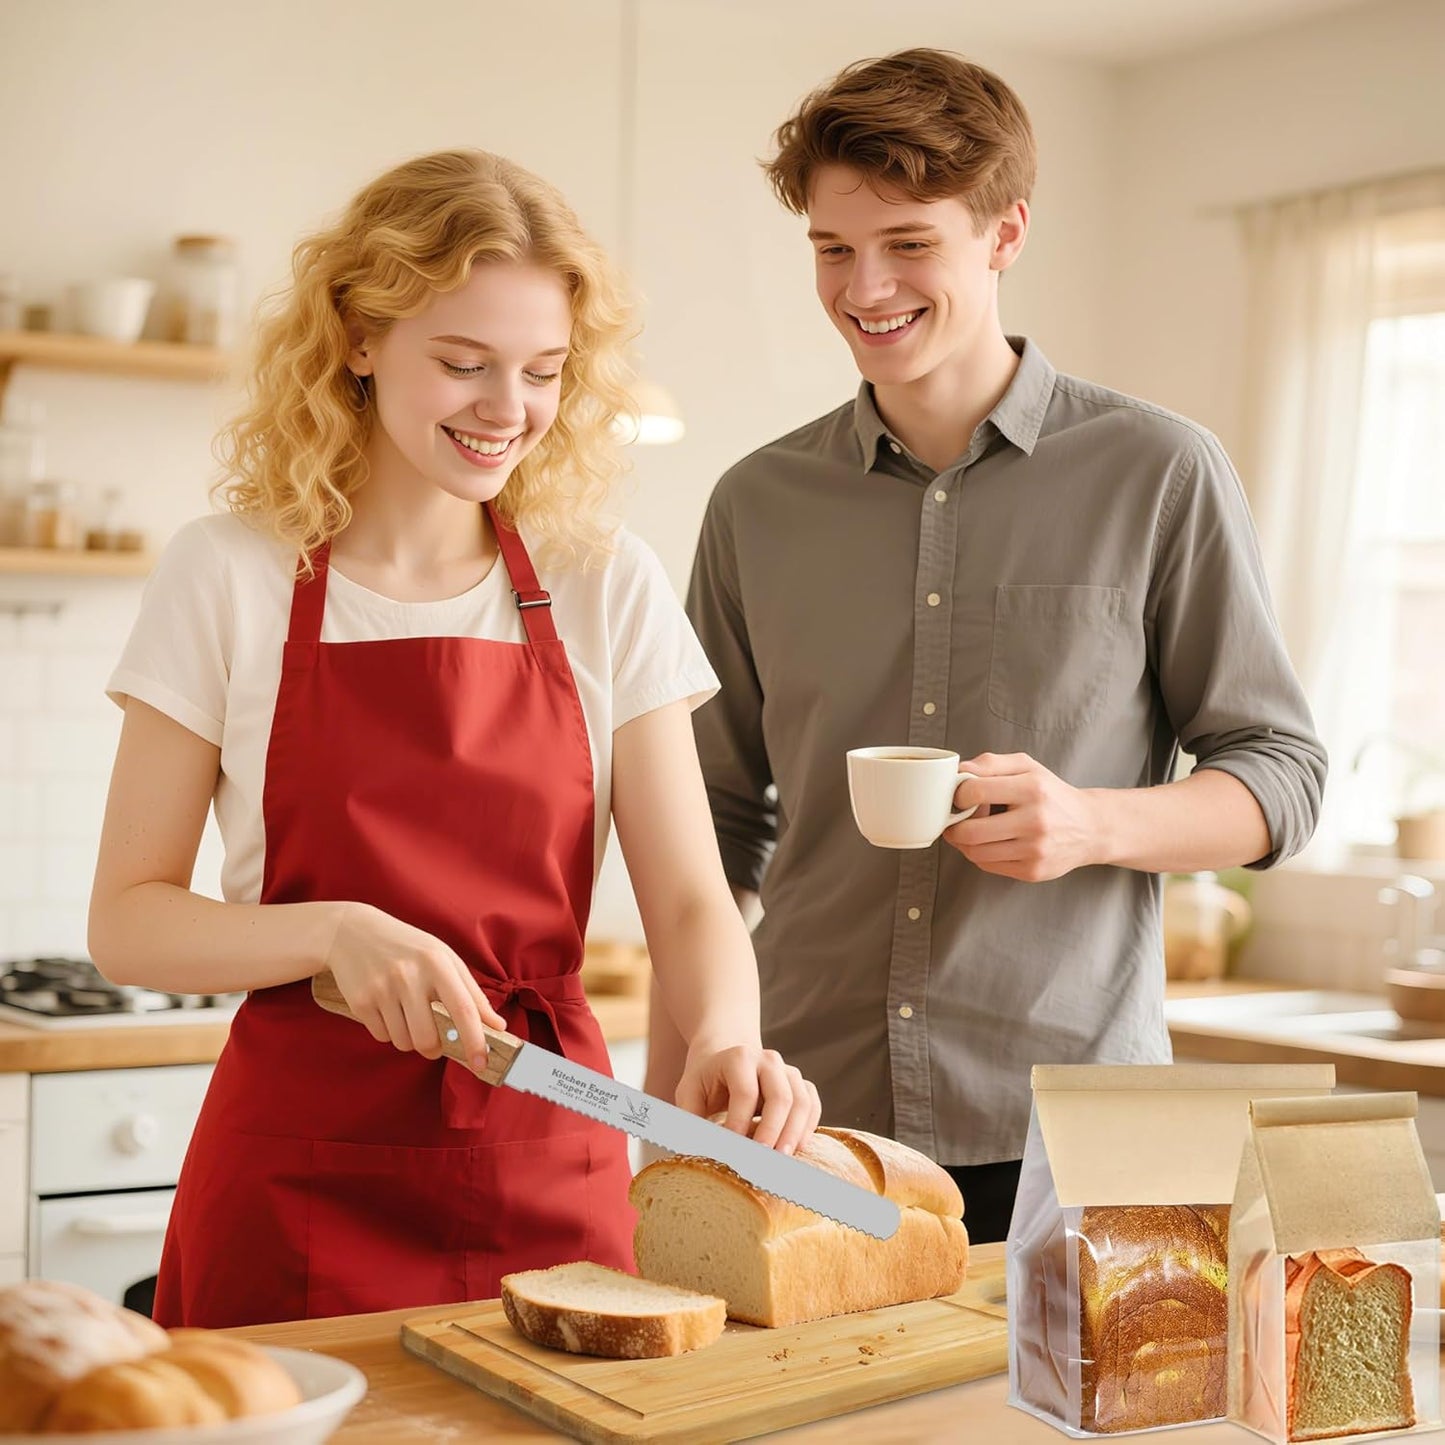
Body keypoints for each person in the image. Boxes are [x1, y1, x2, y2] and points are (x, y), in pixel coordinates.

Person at [88, 148, 819, 1328]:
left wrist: (730, 1037)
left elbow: (692, 900)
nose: (507, 409)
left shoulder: (603, 583)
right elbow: (127, 919)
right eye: (463, 363)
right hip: (294, 1169)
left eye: (541, 370)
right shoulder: (230, 574)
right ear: (360, 340)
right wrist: (333, 929)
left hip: (548, 1146)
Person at [649, 50, 1326, 1245]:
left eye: (908, 244)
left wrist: (1092, 823)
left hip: (1071, 1128)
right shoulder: (754, 503)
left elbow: (1280, 773)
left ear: (1003, 232)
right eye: (831, 248)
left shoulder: (1157, 472)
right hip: (808, 1121)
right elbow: (702, 825)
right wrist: (675, 1101)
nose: (865, 286)